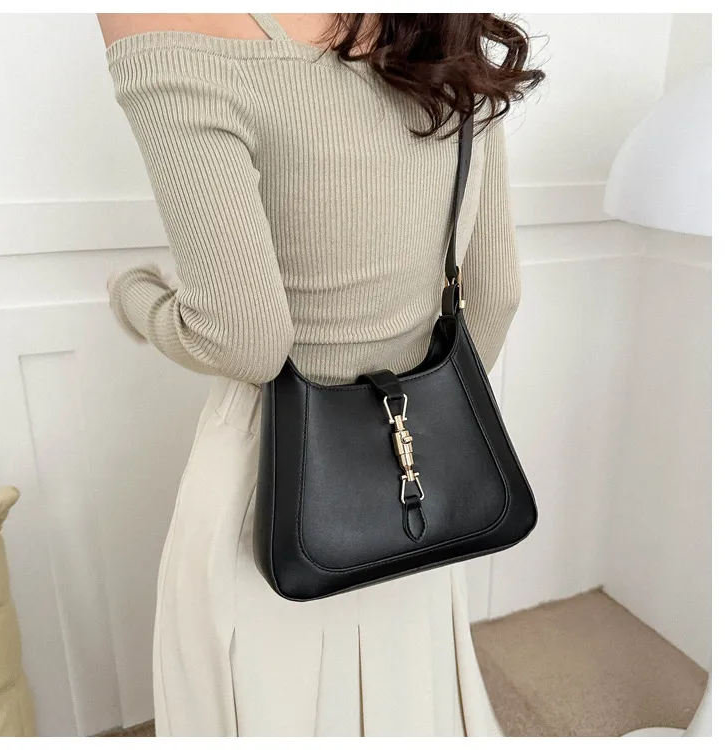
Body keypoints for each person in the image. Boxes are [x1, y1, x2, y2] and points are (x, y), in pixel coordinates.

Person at [96, 12, 544, 737]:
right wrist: (413, 429)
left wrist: (131, 294)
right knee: (407, 704)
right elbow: (495, 295)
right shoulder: (444, 27)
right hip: (419, 487)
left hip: (273, 473)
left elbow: (245, 340)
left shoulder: (162, 19)